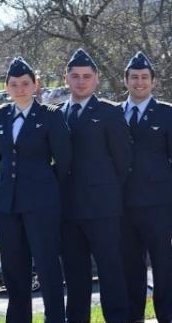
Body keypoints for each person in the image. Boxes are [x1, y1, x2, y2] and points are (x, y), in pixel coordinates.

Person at [0, 57, 71, 323]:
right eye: (14, 84)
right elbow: (1, 156)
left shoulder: (50, 115)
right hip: (7, 205)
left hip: (41, 204)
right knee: (15, 271)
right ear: (7, 86)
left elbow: (63, 161)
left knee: (47, 268)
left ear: (36, 85)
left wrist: (45, 188)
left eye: (25, 83)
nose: (20, 88)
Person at [59, 48, 132, 323]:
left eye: (86, 76)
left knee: (110, 272)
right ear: (66, 78)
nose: (81, 81)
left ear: (96, 79)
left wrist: (104, 190)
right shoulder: (57, 113)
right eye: (75, 76)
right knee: (75, 277)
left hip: (102, 210)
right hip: (68, 211)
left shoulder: (109, 113)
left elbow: (124, 161)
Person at [120, 51, 172, 323]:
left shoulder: (168, 113)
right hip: (124, 203)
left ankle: (166, 317)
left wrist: (157, 181)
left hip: (157, 203)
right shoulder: (113, 113)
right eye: (134, 77)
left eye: (144, 77)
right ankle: (135, 316)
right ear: (125, 80)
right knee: (131, 266)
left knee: (162, 264)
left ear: (153, 81)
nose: (139, 82)